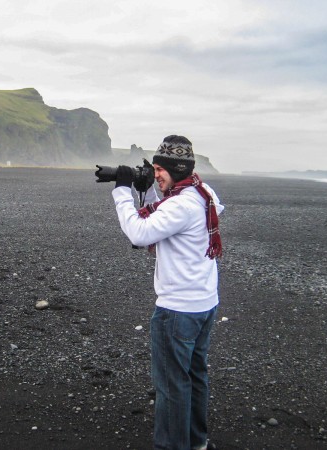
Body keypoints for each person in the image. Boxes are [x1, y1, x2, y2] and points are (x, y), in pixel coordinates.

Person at [111, 135, 224, 450]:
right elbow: (161, 217)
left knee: (172, 387)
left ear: (179, 170)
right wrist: (145, 188)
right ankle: (196, 441)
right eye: (154, 168)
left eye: (161, 169)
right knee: (195, 376)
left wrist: (122, 191)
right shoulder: (202, 193)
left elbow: (139, 233)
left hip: (178, 311)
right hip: (204, 303)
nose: (157, 173)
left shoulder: (181, 205)